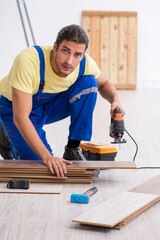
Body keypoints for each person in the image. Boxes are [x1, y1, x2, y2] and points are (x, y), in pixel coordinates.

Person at [0, 24, 124, 177]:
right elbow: (21, 117)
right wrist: (47, 156)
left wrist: (115, 100)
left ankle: (72, 148)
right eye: (65, 51)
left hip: (47, 105)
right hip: (14, 109)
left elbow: (104, 84)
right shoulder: (29, 61)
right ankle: (6, 138)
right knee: (39, 163)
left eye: (77, 55)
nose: (70, 61)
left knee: (90, 83)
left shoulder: (85, 63)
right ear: (55, 47)